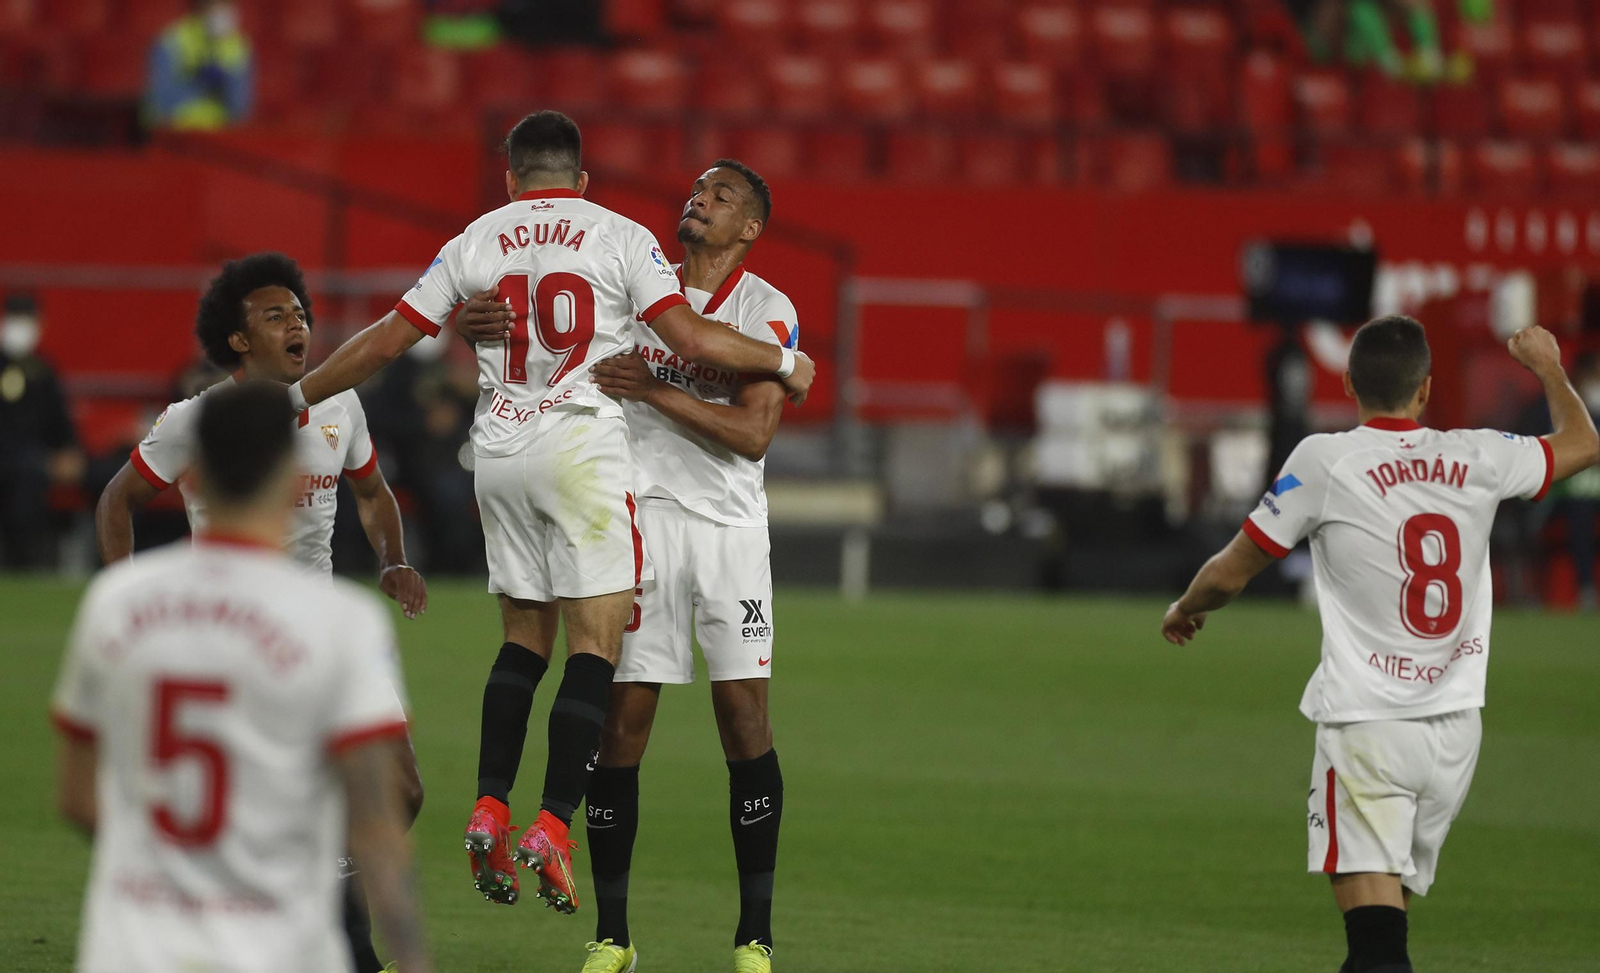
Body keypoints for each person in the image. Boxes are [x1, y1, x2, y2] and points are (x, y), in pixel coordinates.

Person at [282, 109, 815, 916]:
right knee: (594, 649)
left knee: (523, 639)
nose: (702, 196)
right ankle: (552, 825)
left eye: (720, 192)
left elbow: (391, 338)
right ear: (583, 180)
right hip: (583, 453)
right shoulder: (625, 239)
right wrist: (787, 360)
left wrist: (295, 394)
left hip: (498, 451)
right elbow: (691, 338)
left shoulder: (476, 238)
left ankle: (490, 802)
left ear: (511, 179)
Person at [1160, 316, 1599, 973]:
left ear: (1348, 382)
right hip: (1454, 734)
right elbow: (1583, 443)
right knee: (1378, 937)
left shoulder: (1325, 461)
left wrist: (1185, 606)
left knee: (1377, 949)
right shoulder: (1481, 453)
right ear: (1424, 391)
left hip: (1369, 728)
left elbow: (1229, 571)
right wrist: (1547, 366)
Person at [459, 160, 795, 973]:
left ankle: (755, 936)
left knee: (743, 719)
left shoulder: (765, 310)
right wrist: (478, 326)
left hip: (727, 532)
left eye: (721, 197)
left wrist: (653, 391)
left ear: (749, 227)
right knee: (622, 727)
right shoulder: (636, 283)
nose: (700, 200)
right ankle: (613, 935)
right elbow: (549, 340)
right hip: (635, 519)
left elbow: (754, 436)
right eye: (698, 190)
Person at [94, 252, 427, 973]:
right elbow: (118, 498)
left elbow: (372, 493)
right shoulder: (200, 419)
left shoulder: (339, 404)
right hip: (238, 634)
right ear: (238, 340)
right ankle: (350, 945)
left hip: (326, 625)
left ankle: (320, 896)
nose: (296, 323)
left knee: (403, 790)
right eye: (274, 315)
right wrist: (122, 595)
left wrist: (393, 559)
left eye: (299, 312)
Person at [0, 292, 84, 568]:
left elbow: (61, 424)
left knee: (31, 479)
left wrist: (69, 452)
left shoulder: (44, 371)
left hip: (33, 463)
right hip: (12, 460)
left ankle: (27, 565)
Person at [145, 0, 253, 131]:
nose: (223, 14)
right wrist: (199, 84)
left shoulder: (239, 47)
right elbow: (161, 102)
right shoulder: (172, 40)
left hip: (221, 133)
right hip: (177, 131)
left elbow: (240, 109)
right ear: (200, 9)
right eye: (216, 8)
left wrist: (228, 83)